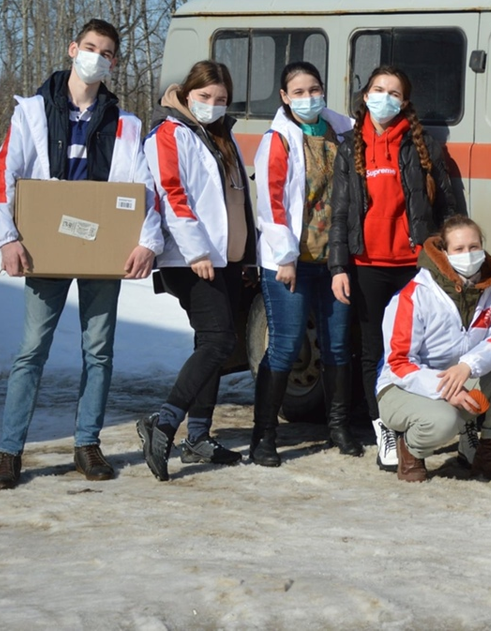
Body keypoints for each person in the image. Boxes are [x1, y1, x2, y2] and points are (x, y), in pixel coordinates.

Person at [0, 19, 162, 490]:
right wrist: (7, 238)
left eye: (106, 52)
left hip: (104, 251)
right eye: (89, 48)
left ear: (114, 63)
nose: (96, 57)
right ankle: (9, 451)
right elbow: (4, 176)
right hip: (46, 248)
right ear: (72, 50)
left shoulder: (125, 124)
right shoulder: (32, 113)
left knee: (99, 352)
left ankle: (87, 443)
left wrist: (147, 241)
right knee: (30, 352)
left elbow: (144, 189)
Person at [329, 66, 456, 470]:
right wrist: (338, 266)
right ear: (366, 94)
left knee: (422, 349)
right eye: (379, 89)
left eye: (394, 92)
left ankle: (421, 426)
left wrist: (450, 258)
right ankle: (385, 430)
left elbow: (448, 205)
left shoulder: (423, 145)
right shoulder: (349, 146)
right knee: (373, 353)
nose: (385, 98)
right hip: (366, 265)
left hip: (413, 266)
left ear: (404, 102)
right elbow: (340, 212)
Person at [138, 60, 257, 482]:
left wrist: (245, 258)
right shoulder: (169, 133)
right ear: (187, 94)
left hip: (225, 258)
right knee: (219, 340)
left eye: (221, 99)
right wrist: (196, 252)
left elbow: (236, 200)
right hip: (191, 259)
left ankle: (199, 438)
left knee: (214, 344)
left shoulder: (220, 135)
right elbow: (172, 194)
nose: (213, 104)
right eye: (205, 97)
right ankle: (165, 422)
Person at [251, 61, 356, 466]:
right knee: (285, 345)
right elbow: (273, 205)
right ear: (284, 96)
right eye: (298, 92)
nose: (308, 97)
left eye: (314, 89)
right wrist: (285, 258)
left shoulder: (339, 130)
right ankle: (264, 436)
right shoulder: (277, 139)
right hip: (290, 261)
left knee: (337, 345)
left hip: (334, 259)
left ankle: (339, 427)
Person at [376, 215, 491, 484]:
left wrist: (468, 366)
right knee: (444, 421)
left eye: (474, 247)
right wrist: (445, 388)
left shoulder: (489, 287)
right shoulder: (415, 295)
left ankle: (488, 456)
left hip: (459, 375)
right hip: (402, 387)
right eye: (459, 249)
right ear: (444, 253)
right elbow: (399, 363)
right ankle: (410, 450)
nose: (468, 255)